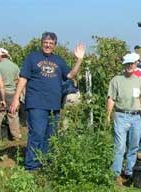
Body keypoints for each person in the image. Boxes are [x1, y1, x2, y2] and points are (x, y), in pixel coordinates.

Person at [9, 32, 85, 170]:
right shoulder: (32, 57)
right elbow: (23, 78)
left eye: (51, 43)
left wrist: (79, 60)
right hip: (36, 102)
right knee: (37, 133)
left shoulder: (59, 61)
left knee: (50, 136)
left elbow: (70, 75)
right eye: (46, 42)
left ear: (55, 45)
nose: (48, 45)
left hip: (54, 105)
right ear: (41, 43)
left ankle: (45, 163)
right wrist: (16, 99)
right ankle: (31, 166)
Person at [106, 53, 141, 180]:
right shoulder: (116, 80)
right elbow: (111, 99)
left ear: (136, 65)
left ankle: (129, 171)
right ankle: (115, 172)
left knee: (134, 145)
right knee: (119, 145)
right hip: (121, 115)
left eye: (132, 63)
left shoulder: (139, 81)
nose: (130, 66)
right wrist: (108, 115)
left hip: (136, 117)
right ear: (124, 65)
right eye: (127, 64)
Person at [0, 48, 22, 140]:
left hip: (0, 93)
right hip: (12, 93)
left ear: (0, 56)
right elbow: (19, 80)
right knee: (13, 115)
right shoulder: (15, 66)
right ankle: (16, 136)